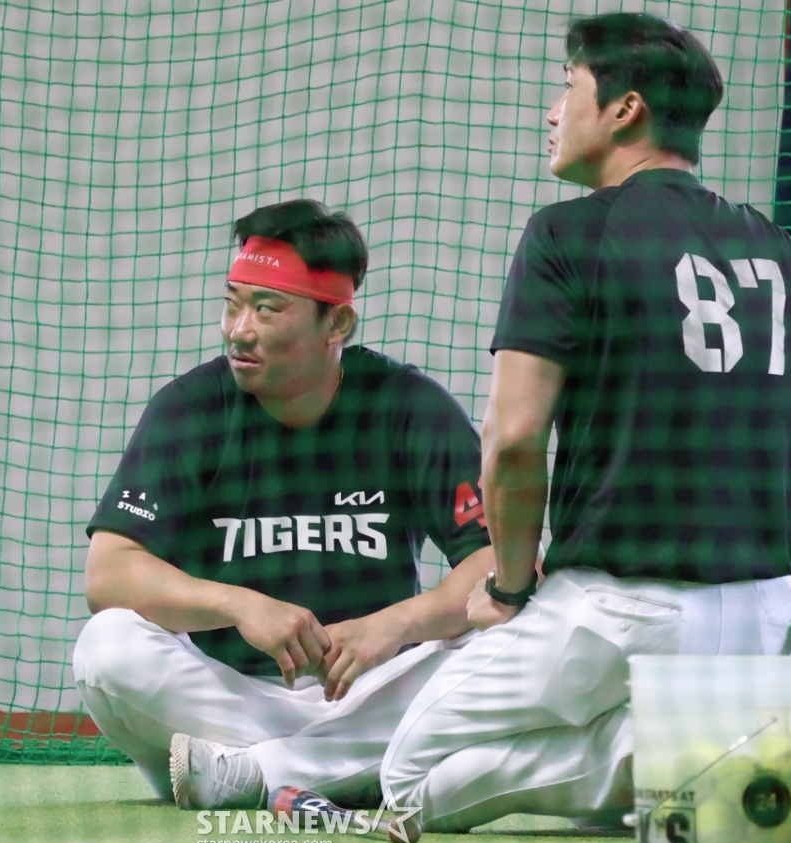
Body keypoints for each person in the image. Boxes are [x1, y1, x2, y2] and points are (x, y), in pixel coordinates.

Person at [380, 12, 791, 832]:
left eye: (567, 88)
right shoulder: (784, 249)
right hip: (766, 614)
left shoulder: (565, 234)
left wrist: (508, 586)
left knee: (408, 777)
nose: (552, 111)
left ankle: (664, 754)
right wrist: (767, 554)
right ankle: (722, 744)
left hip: (616, 613)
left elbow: (513, 441)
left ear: (624, 109)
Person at [72, 199, 493, 811]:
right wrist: (238, 604)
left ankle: (255, 772)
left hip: (373, 691)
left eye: (266, 309)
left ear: (337, 323)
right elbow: (109, 574)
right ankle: (351, 767)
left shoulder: (410, 408)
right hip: (227, 696)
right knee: (107, 646)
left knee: (514, 635)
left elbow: (498, 566)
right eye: (232, 304)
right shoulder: (190, 409)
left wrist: (398, 624)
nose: (239, 329)